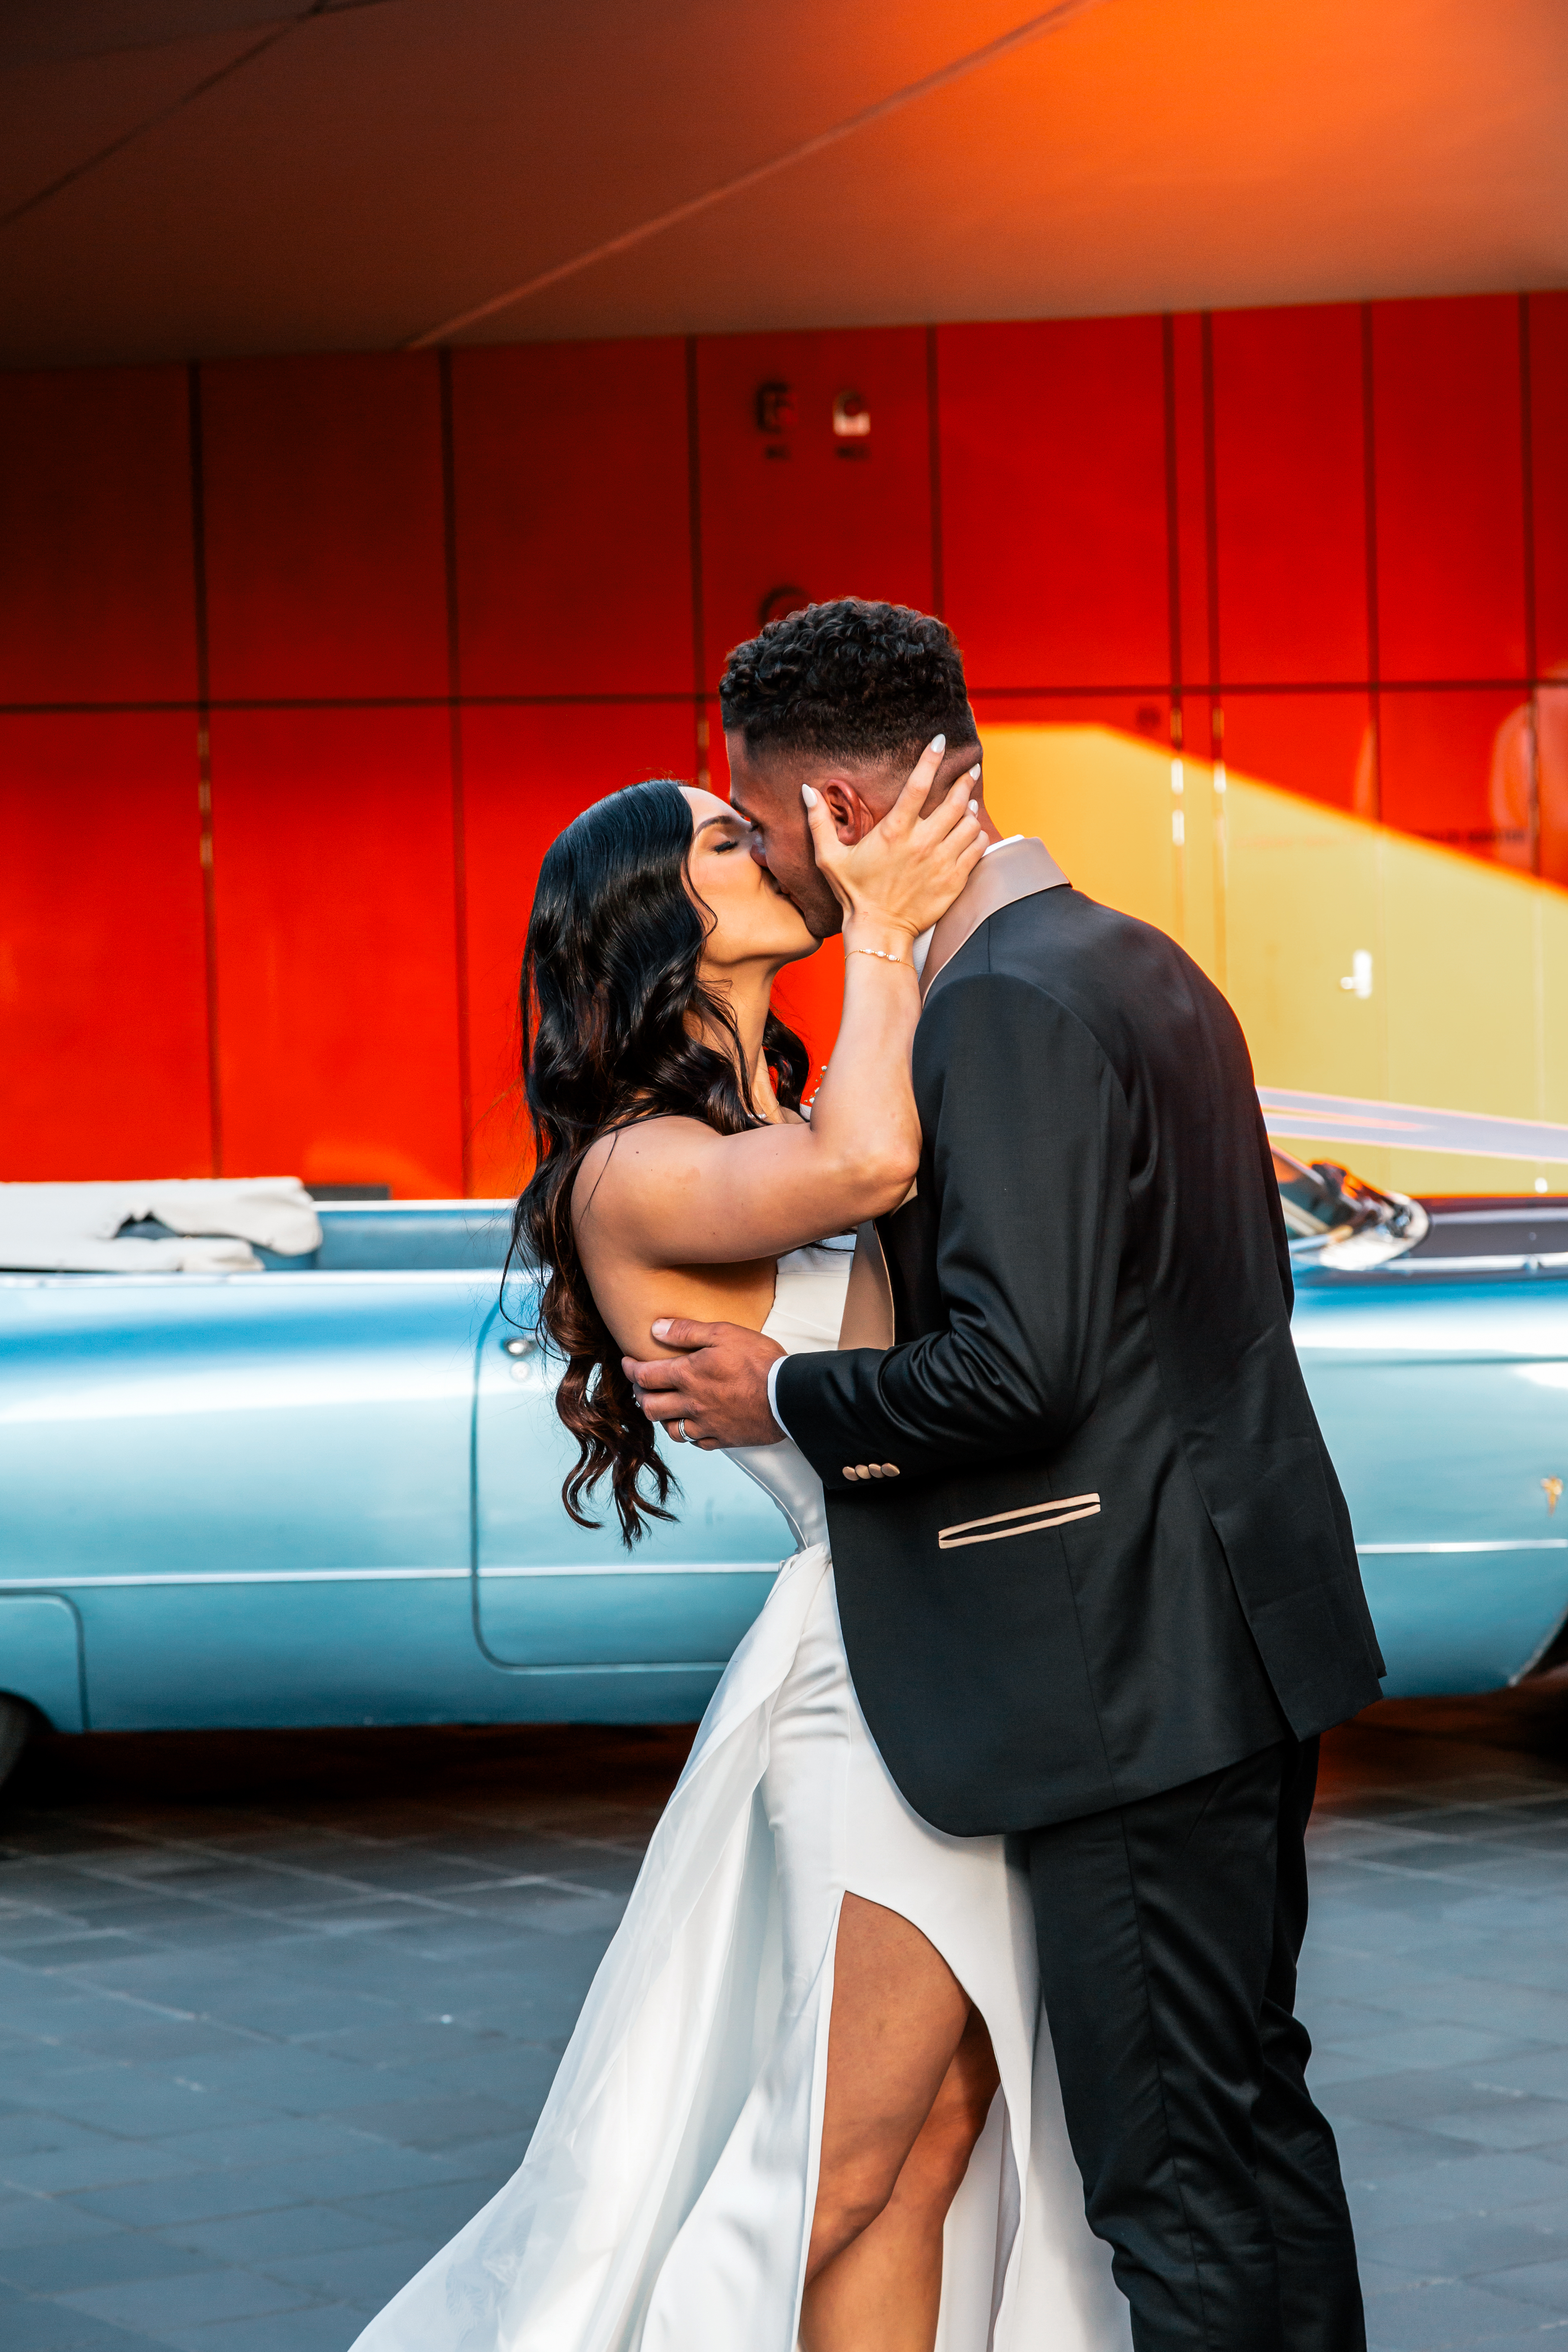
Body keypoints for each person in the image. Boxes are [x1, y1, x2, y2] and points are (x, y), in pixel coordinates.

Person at [624, 599, 1385, 2351]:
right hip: (1232, 1634)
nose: (764, 857)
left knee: (1177, 2178)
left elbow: (1020, 1371)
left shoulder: (1003, 1012)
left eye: (760, 820)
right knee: (1252, 2126)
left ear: (837, 812)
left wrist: (787, 1391)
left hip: (1126, 1671)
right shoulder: (1127, 957)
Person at [352, 742, 1130, 2350]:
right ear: (651, 919)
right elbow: (870, 1170)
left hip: (990, 1642)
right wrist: (895, 931)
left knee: (933, 2152)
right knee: (832, 2164)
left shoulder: (780, 1098)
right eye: (725, 839)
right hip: (878, 1669)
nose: (774, 843)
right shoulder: (629, 1169)